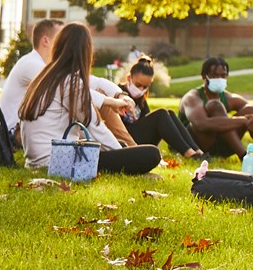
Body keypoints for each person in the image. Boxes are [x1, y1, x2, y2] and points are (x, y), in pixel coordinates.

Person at [19, 22, 161, 175]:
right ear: (86, 52)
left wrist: (118, 97)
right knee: (152, 154)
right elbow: (96, 127)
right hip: (59, 161)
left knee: (121, 146)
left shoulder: (46, 75)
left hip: (38, 160)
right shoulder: (71, 83)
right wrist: (125, 156)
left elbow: (97, 84)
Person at [179, 57, 253, 160]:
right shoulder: (192, 98)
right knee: (215, 105)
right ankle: (243, 156)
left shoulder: (228, 97)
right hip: (197, 146)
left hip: (222, 145)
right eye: (215, 75)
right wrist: (243, 121)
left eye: (223, 76)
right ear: (204, 76)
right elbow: (201, 124)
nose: (219, 79)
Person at [118, 56, 205, 159]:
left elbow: (147, 122)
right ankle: (189, 153)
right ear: (129, 78)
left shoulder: (141, 99)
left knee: (170, 113)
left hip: (140, 140)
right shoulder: (118, 92)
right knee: (161, 114)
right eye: (138, 85)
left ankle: (198, 151)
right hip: (125, 139)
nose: (141, 89)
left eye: (145, 87)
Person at [0, 18, 63, 143]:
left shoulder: (38, 63)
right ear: (46, 41)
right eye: (61, 38)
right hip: (14, 133)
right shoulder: (31, 64)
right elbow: (64, 88)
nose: (66, 43)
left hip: (25, 128)